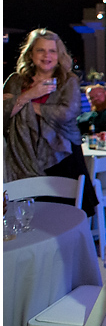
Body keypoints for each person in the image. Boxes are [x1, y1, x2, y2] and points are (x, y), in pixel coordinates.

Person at [3, 28, 98, 213]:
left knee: (66, 215)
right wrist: (31, 94)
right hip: (22, 156)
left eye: (52, 51)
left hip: (63, 155)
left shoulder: (68, 80)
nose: (46, 55)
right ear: (31, 54)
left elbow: (67, 113)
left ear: (59, 55)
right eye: (41, 50)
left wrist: (22, 103)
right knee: (30, 216)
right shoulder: (15, 81)